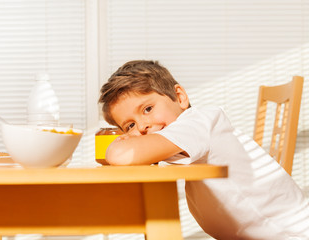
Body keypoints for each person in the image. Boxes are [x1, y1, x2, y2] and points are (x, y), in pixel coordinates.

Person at [98, 60, 309, 240]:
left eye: (148, 109)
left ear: (179, 97)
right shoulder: (181, 136)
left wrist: (119, 144)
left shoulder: (197, 123)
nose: (142, 126)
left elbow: (122, 155)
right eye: (130, 126)